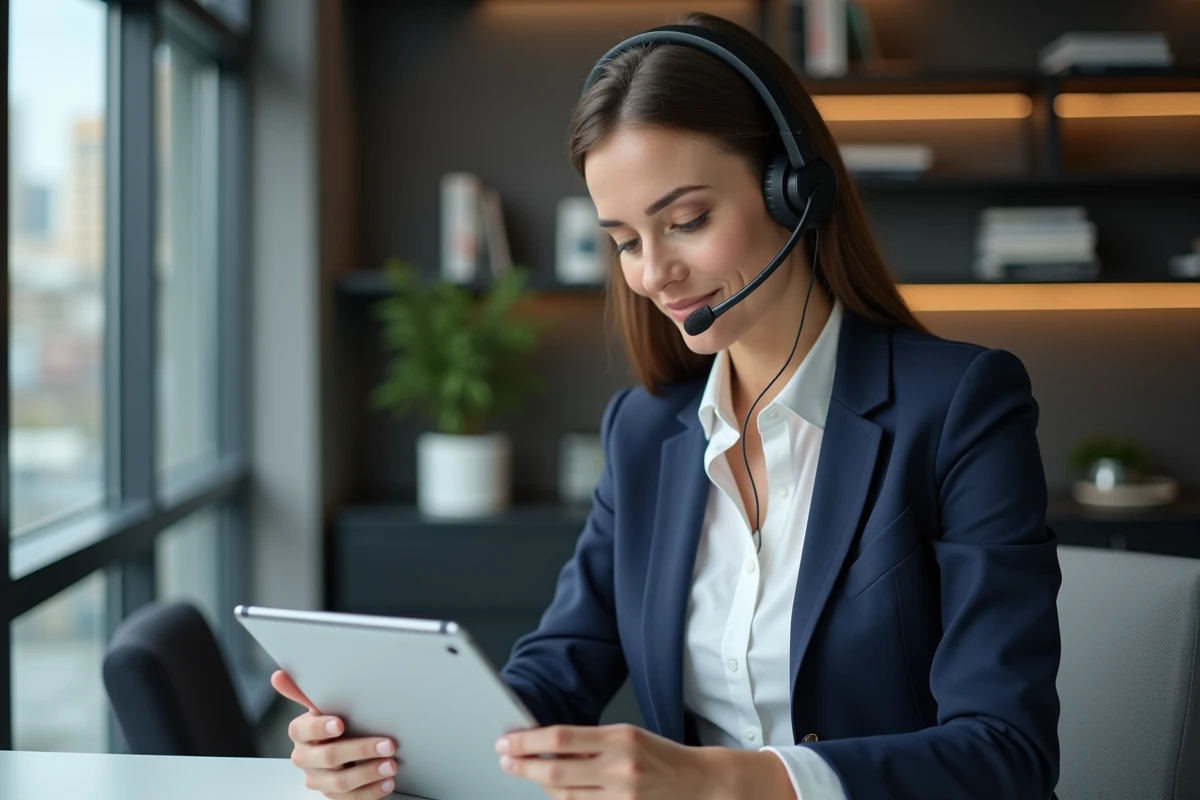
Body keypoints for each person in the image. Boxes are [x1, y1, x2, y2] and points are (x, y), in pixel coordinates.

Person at [273, 11, 1062, 800]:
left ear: (794, 190)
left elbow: (1006, 754)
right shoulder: (646, 432)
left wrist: (720, 779)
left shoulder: (962, 406)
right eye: (623, 240)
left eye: (686, 221)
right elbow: (556, 672)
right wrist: (389, 746)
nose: (653, 274)